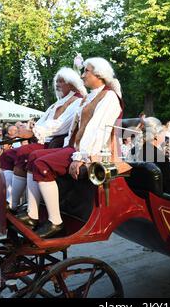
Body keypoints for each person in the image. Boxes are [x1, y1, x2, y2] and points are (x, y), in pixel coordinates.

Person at [16, 57, 124, 238]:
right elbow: (76, 128)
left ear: (99, 74)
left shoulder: (109, 97)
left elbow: (97, 130)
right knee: (33, 157)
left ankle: (55, 222)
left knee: (42, 164)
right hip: (75, 147)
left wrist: (81, 157)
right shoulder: (92, 96)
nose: (82, 76)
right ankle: (32, 214)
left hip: (93, 152)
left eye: (86, 71)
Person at [0, 67, 87, 210]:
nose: (57, 84)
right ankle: (10, 199)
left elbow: (60, 125)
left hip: (55, 143)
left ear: (71, 83)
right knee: (7, 156)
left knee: (24, 154)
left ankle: (13, 203)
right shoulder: (58, 103)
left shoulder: (77, 101)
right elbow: (42, 122)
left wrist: (32, 131)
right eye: (56, 81)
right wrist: (27, 129)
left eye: (61, 81)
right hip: (45, 139)